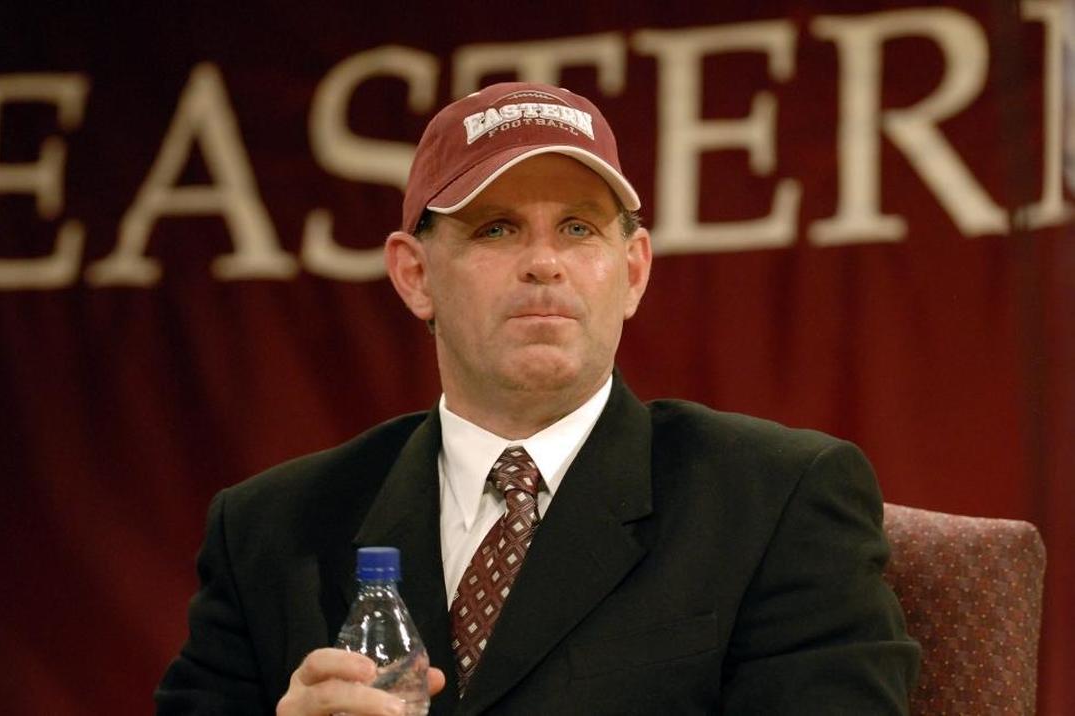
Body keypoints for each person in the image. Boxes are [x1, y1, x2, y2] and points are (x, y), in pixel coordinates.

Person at [155, 82, 919, 715]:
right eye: (496, 230)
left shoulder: (774, 500)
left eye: (579, 228)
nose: (544, 263)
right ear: (415, 275)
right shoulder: (268, 530)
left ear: (635, 269)